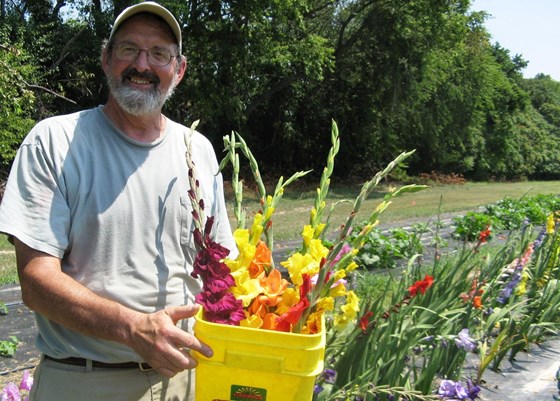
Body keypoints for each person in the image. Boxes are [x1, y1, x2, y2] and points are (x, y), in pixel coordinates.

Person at [0, 2, 236, 400]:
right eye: (129, 50)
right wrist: (132, 327)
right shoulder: (55, 142)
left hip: (183, 382)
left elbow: (220, 267)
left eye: (159, 54)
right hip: (85, 381)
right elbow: (36, 281)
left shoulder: (198, 150)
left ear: (178, 70)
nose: (143, 65)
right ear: (107, 59)